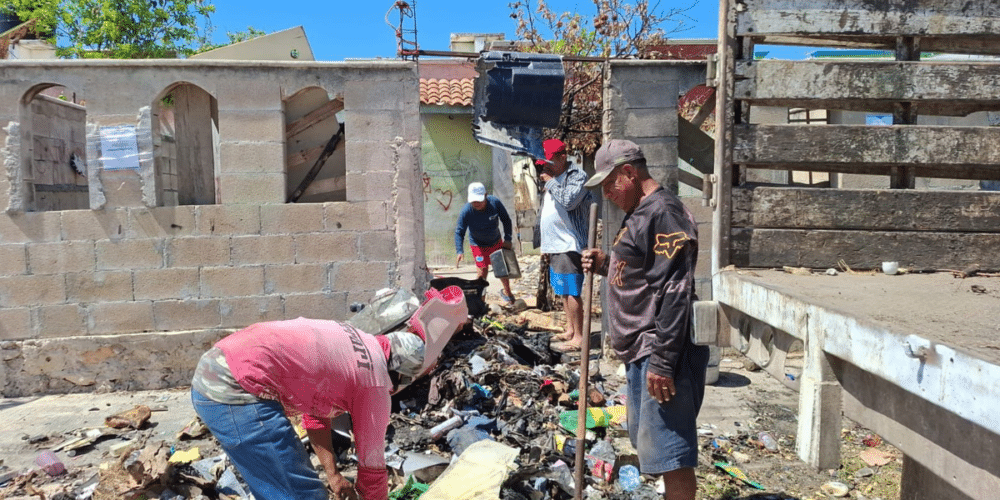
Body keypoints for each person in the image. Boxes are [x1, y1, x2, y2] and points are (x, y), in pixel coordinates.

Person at [189, 288, 466, 500]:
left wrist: (333, 475)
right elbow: (372, 471)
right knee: (301, 495)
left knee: (284, 485)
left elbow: (315, 417)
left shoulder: (355, 337)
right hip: (235, 388)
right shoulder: (374, 384)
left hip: (216, 371)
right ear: (401, 373)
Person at [581, 139, 709, 500]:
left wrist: (664, 362)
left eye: (609, 185)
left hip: (659, 349)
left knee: (672, 453)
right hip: (641, 351)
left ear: (629, 173)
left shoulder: (663, 213)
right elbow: (638, 272)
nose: (606, 194)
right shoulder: (639, 213)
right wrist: (605, 263)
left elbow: (674, 289)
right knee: (654, 445)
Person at [536, 139, 594, 352]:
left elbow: (569, 201)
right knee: (562, 289)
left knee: (572, 290)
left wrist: (550, 182)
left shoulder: (576, 176)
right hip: (555, 244)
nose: (546, 166)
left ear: (563, 157)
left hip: (570, 242)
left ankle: (579, 337)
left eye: (550, 161)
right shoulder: (553, 178)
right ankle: (570, 329)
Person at [454, 181, 515, 303]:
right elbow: (459, 231)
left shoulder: (495, 203)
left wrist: (508, 238)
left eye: (479, 200)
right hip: (478, 245)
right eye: (473, 201)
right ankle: (480, 302)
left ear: (486, 195)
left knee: (501, 270)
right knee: (482, 272)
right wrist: (459, 251)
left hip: (495, 242)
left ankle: (508, 294)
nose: (476, 203)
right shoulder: (466, 211)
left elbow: (506, 220)